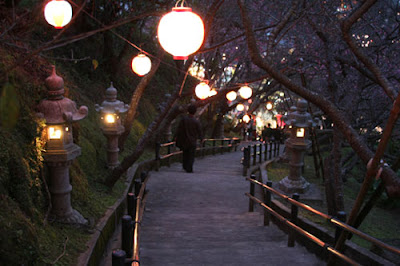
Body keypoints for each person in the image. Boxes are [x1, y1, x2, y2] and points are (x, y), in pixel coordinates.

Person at [175, 104, 203, 173]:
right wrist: (201, 139)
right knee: (191, 155)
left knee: (185, 153)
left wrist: (176, 138)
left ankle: (185, 166)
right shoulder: (196, 121)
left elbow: (179, 130)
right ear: (195, 111)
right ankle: (189, 167)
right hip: (193, 140)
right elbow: (199, 131)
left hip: (184, 140)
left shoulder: (183, 119)